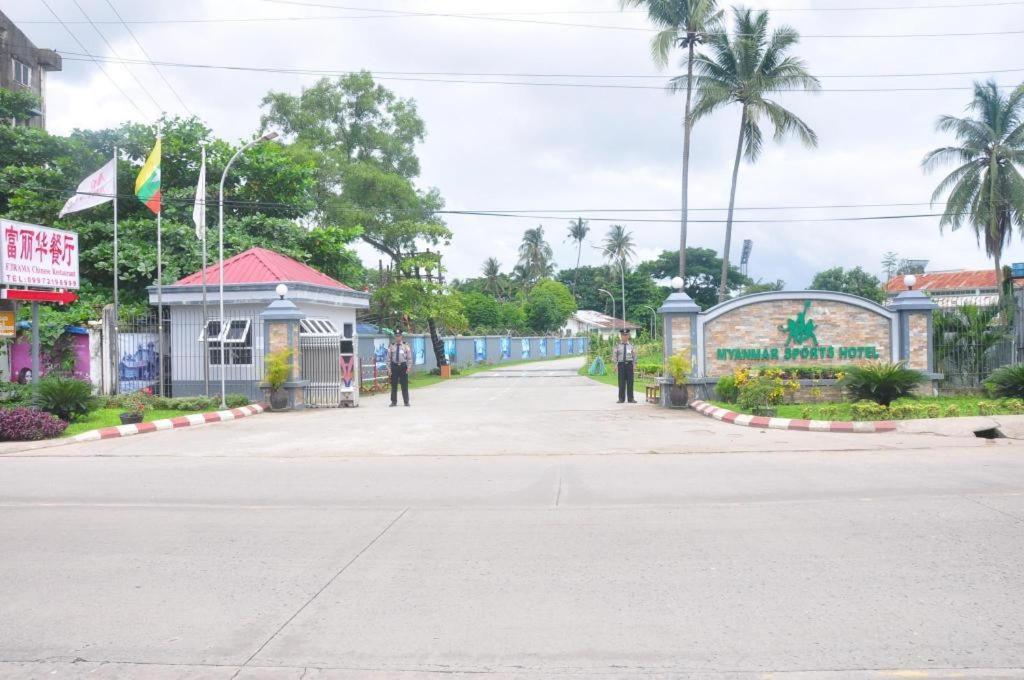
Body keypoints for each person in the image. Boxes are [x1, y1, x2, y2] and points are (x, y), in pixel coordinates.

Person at [388, 330, 413, 407]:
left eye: (399, 336)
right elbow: (388, 358)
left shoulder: (405, 345)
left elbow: (409, 358)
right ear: (395, 337)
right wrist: (389, 369)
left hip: (403, 366)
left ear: (401, 336)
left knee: (404, 385)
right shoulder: (391, 346)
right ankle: (393, 402)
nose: (397, 337)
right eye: (396, 336)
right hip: (394, 366)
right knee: (394, 385)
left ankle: (406, 402)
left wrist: (409, 367)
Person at [613, 329, 637, 404]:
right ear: (621, 336)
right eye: (623, 335)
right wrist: (615, 365)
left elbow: (634, 356)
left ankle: (631, 398)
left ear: (628, 336)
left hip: (629, 365)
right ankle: (621, 399)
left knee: (630, 382)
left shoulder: (631, 346)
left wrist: (634, 365)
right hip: (621, 365)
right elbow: (615, 356)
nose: (625, 337)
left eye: (626, 335)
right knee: (621, 382)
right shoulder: (617, 346)